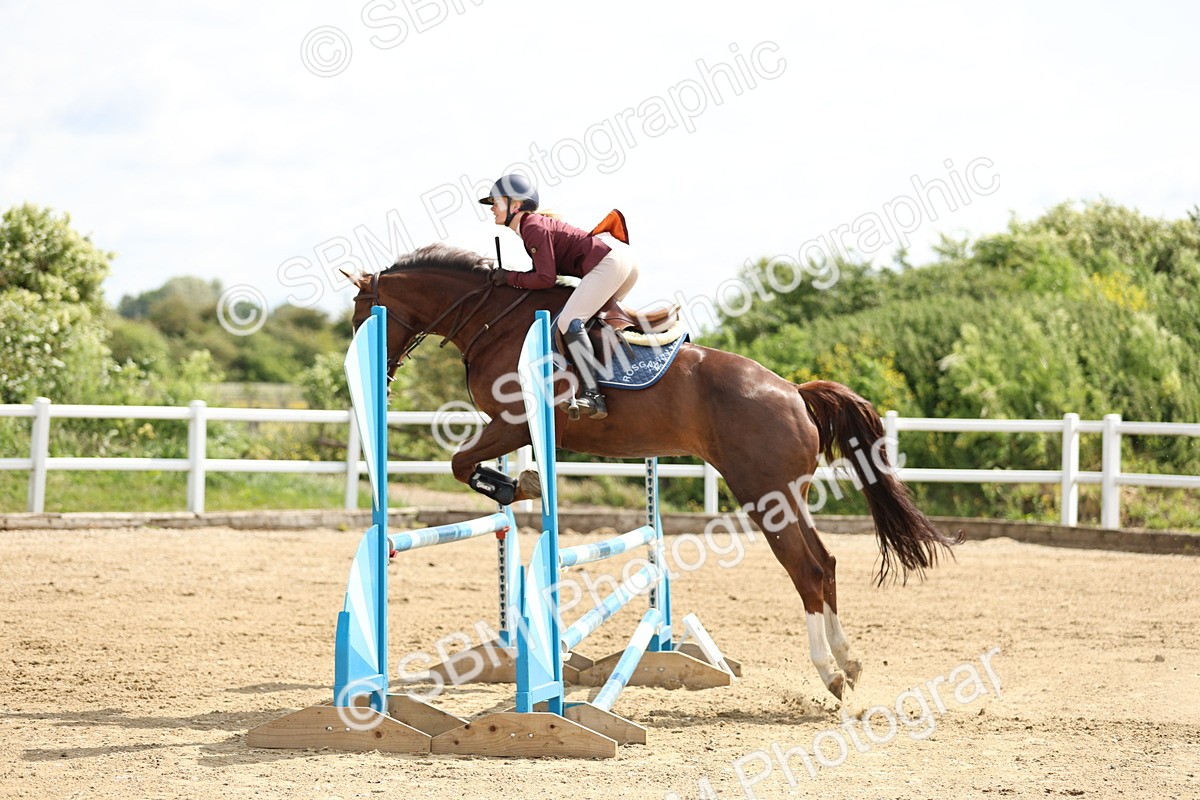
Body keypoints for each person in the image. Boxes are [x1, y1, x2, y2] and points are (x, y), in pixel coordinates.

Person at [480, 174, 639, 420]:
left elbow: (546, 279)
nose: (492, 208)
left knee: (569, 322)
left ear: (516, 205)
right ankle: (617, 380)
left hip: (609, 261)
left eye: (496, 202)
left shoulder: (532, 227)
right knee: (592, 322)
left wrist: (509, 277)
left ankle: (594, 395)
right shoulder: (533, 225)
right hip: (622, 260)